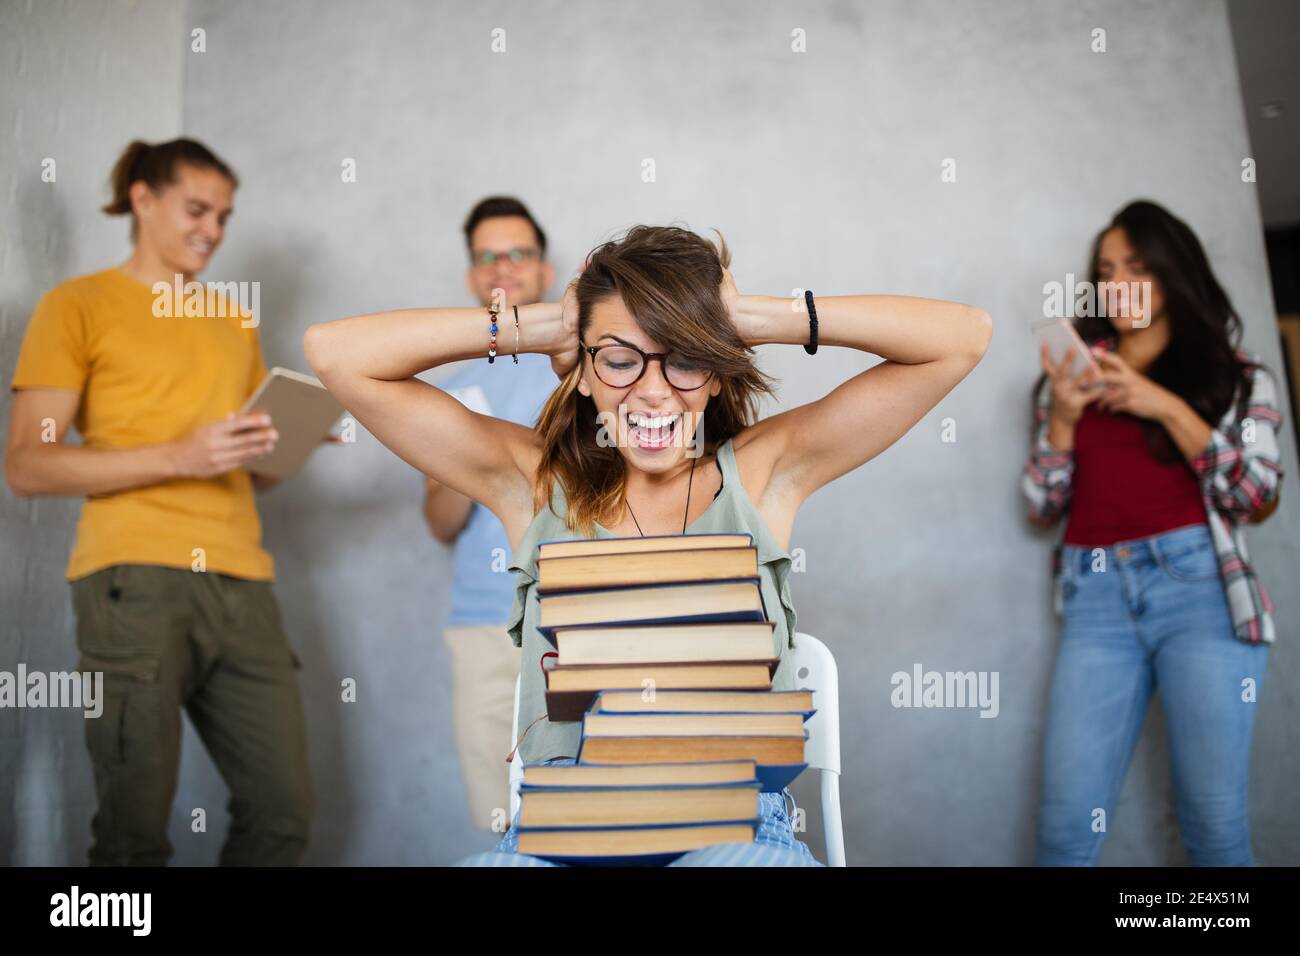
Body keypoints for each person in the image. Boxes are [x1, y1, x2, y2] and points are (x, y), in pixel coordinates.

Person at [304, 224, 991, 865]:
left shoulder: (763, 473)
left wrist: (757, 318)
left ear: (718, 371)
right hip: (565, 831)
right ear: (580, 371)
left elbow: (962, 336)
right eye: (621, 360)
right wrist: (539, 324)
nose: (654, 392)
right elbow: (336, 355)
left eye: (687, 360)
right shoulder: (535, 485)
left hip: (734, 827)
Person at [4, 138, 313, 865]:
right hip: (132, 581)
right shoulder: (75, 305)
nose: (214, 229)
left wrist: (283, 443)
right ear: (143, 199)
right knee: (133, 834)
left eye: (226, 216)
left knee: (283, 815)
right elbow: (26, 463)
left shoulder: (233, 319)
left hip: (245, 581)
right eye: (198, 209)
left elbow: (248, 470)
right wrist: (181, 454)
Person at [1023, 200, 1284, 866]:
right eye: (1106, 269)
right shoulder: (1070, 377)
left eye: (1136, 266)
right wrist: (1062, 422)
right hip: (1095, 597)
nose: (1117, 283)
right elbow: (1039, 505)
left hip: (1200, 592)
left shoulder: (1239, 376)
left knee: (1214, 828)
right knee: (1063, 830)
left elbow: (1256, 494)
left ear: (1172, 273)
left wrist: (1159, 403)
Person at [426, 197, 559, 828]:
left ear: (545, 268)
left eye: (517, 252)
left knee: (584, 815)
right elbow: (441, 523)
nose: (502, 265)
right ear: (471, 276)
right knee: (500, 820)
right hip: (481, 625)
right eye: (487, 256)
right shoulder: (450, 392)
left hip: (573, 618)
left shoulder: (584, 372)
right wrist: (470, 451)